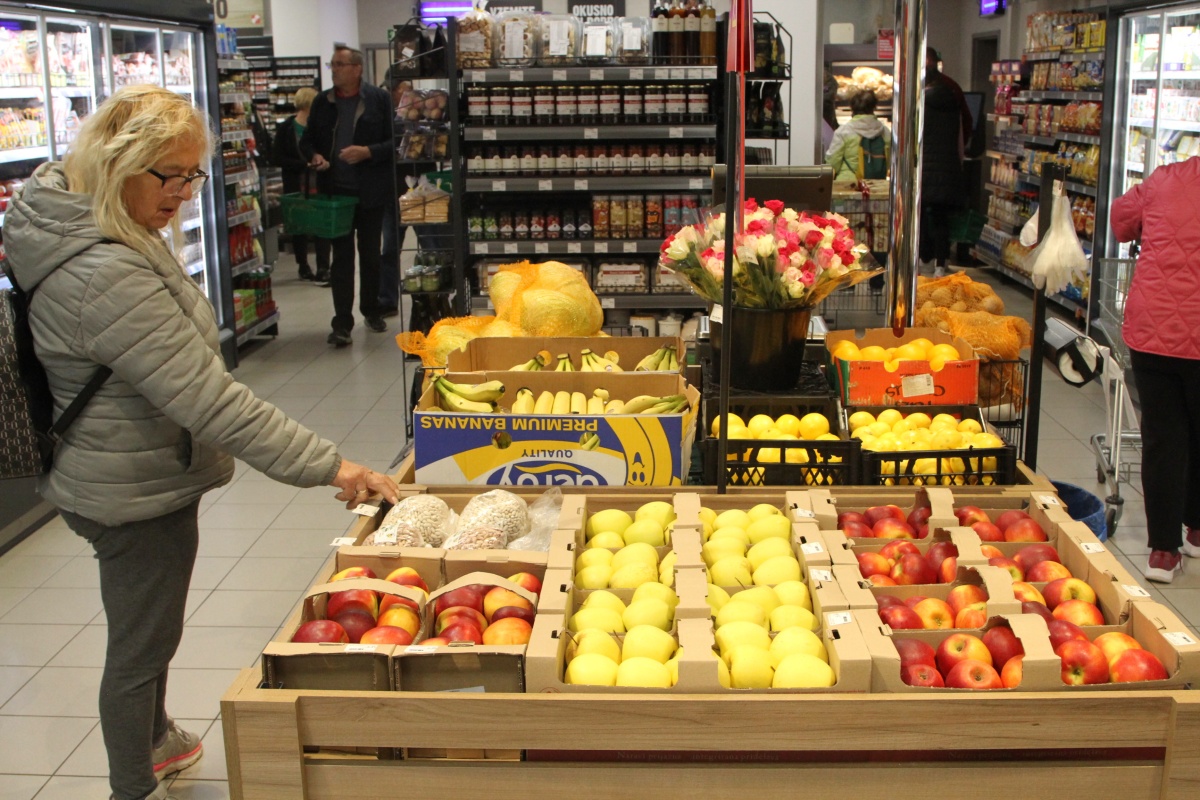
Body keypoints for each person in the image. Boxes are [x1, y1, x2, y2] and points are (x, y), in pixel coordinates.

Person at [1, 85, 400, 800]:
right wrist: (330, 465)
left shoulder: (92, 219)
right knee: (141, 647)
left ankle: (157, 742)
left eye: (194, 175)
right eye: (171, 175)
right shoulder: (103, 270)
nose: (184, 193)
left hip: (126, 461)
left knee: (149, 631)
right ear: (119, 163)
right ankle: (134, 782)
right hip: (128, 484)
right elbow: (208, 399)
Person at [1110, 155, 1200, 583]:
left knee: (1164, 439)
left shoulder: (1164, 178)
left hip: (1155, 329)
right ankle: (1197, 529)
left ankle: (1163, 551)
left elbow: (1120, 221)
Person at [301, 46, 395, 347]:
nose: (334, 69)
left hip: (370, 191)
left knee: (370, 256)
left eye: (340, 64)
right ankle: (342, 322)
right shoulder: (322, 101)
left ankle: (372, 309)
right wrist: (315, 156)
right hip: (336, 193)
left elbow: (396, 142)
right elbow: (308, 140)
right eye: (333, 64)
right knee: (341, 259)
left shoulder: (378, 100)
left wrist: (368, 152)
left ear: (357, 69)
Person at [273, 85, 330, 283]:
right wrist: (301, 164)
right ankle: (303, 265)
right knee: (299, 225)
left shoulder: (319, 127)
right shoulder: (286, 129)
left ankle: (324, 266)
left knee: (322, 224)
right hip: (296, 182)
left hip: (319, 181)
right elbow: (277, 157)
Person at [918, 65, 967, 279]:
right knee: (941, 219)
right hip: (949, 168)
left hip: (925, 169)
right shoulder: (954, 102)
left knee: (919, 216)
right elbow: (961, 138)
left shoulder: (922, 103)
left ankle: (923, 259)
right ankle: (941, 263)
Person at [824, 90, 890, 183]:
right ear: (874, 107)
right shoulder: (885, 132)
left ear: (852, 108)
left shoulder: (844, 132)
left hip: (848, 185)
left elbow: (832, 163)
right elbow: (889, 162)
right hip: (877, 184)